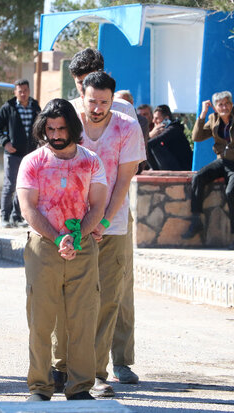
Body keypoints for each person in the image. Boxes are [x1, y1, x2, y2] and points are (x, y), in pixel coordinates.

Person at [16, 98, 107, 401]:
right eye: (50, 128)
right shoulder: (33, 161)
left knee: (84, 319)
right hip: (43, 247)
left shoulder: (92, 160)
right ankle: (40, 388)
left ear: (73, 127)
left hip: (83, 246)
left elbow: (98, 204)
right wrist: (58, 238)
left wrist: (77, 235)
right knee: (41, 321)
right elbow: (28, 209)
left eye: (61, 128)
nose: (55, 134)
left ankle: (80, 387)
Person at [76, 73, 145, 396]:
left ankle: (98, 372)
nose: (98, 108)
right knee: (70, 298)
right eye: (92, 101)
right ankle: (63, 367)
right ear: (82, 95)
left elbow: (123, 180)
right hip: (72, 226)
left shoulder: (126, 126)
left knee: (107, 300)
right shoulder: (68, 123)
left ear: (113, 99)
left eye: (104, 101)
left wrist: (102, 222)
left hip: (112, 227)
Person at [183, 91, 234, 249]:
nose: (224, 107)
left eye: (227, 103)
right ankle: (196, 221)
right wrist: (202, 114)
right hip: (223, 162)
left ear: (232, 104)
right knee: (198, 177)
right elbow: (196, 136)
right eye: (220, 104)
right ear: (215, 107)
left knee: (231, 192)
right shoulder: (213, 119)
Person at [0, 79, 41, 228]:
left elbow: (42, 125)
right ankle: (4, 217)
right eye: (20, 91)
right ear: (15, 92)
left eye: (25, 90)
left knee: (25, 186)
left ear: (29, 91)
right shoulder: (8, 107)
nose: (23, 94)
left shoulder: (35, 106)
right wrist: (5, 142)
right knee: (10, 185)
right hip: (13, 154)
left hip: (30, 155)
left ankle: (17, 217)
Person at [68, 48, 137, 120]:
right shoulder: (67, 111)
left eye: (90, 81)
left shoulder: (124, 109)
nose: (86, 87)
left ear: (102, 75)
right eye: (81, 82)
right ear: (74, 78)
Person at [147, 105, 193, 171]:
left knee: (154, 145)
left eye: (156, 118)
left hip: (181, 168)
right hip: (173, 164)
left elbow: (150, 144)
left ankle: (156, 170)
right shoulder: (165, 130)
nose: (153, 121)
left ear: (166, 119)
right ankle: (155, 169)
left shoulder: (173, 129)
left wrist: (150, 136)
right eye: (153, 118)